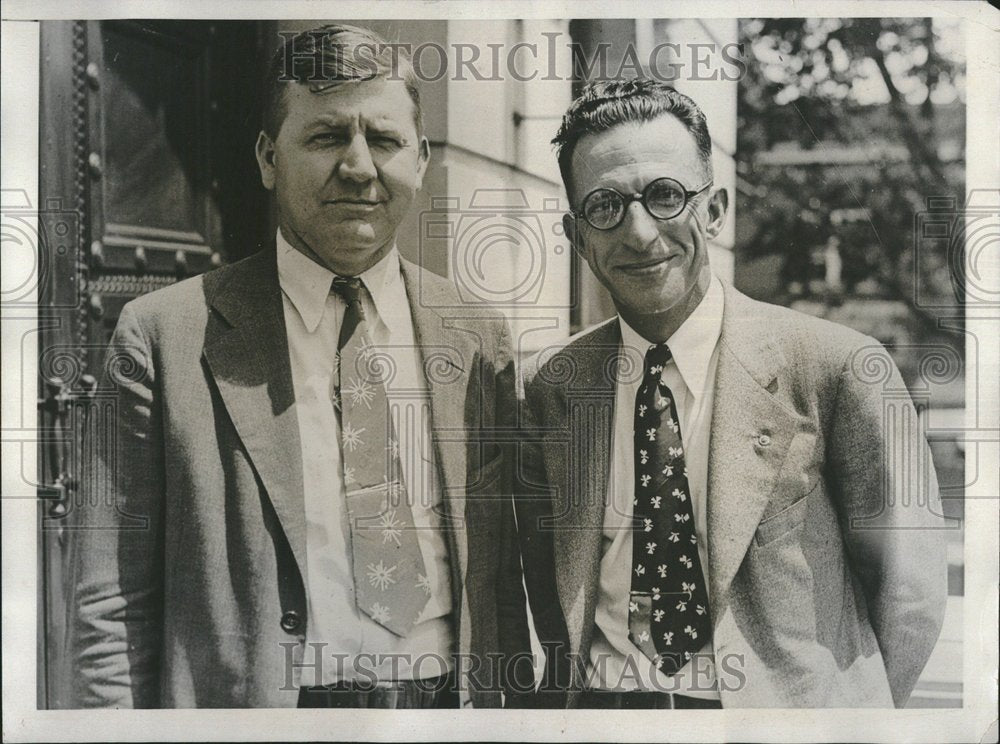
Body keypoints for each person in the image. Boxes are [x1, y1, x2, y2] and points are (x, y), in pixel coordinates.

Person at [67, 24, 531, 709]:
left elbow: (506, 580)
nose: (358, 167)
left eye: (383, 140)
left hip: (443, 708)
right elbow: (110, 603)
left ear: (423, 158)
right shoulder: (163, 338)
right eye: (324, 137)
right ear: (266, 158)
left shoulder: (476, 336)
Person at [516, 79, 948, 708]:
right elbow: (547, 590)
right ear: (578, 234)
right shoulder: (551, 387)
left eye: (665, 196)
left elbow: (910, 594)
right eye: (605, 205)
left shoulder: (836, 366)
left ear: (714, 210)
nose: (639, 232)